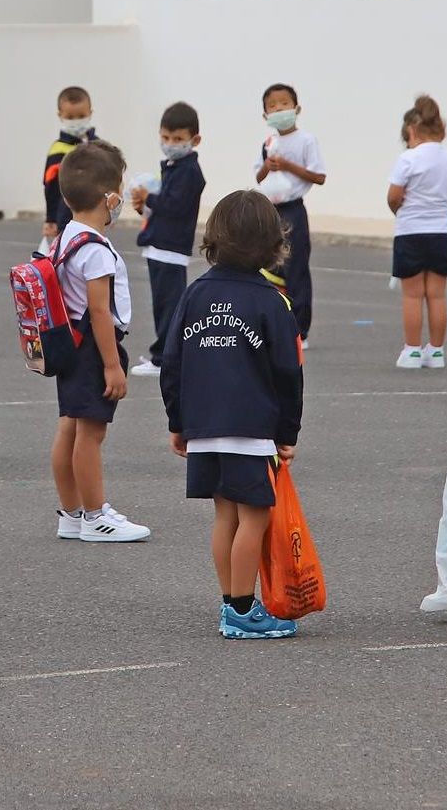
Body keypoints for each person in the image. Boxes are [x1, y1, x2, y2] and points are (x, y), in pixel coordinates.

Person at [161, 190, 305, 640]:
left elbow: (173, 362)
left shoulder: (194, 294)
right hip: (250, 430)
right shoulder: (272, 302)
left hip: (205, 427)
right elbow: (288, 373)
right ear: (271, 244)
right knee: (255, 518)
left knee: (225, 517)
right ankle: (243, 609)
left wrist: (178, 422)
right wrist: (287, 431)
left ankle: (230, 601)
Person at [48, 140, 152, 543]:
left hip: (70, 346)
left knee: (70, 428)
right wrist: (112, 364)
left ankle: (71, 513)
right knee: (91, 434)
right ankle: (95, 516)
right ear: (110, 198)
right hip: (93, 348)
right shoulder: (95, 250)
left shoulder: (65, 238)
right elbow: (99, 311)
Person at [386, 95, 447, 370]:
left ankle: (411, 350)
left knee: (412, 295)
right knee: (436, 294)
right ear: (442, 130)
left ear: (411, 130)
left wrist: (401, 209)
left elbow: (394, 195)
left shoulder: (407, 159)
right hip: (441, 232)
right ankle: (436, 350)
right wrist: (443, 205)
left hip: (410, 231)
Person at [130, 101, 207, 377]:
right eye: (165, 137)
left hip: (171, 248)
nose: (170, 143)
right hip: (159, 246)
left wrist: (149, 197)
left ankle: (165, 358)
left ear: (194, 140)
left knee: (169, 305)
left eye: (178, 139)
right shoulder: (174, 166)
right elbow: (165, 205)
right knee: (162, 304)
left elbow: (175, 205)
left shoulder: (189, 172)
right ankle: (165, 353)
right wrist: (145, 204)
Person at [256, 83, 326, 341]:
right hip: (271, 210)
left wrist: (287, 165)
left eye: (284, 103)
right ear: (265, 115)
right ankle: (276, 323)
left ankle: (300, 330)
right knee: (270, 268)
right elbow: (259, 176)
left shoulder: (306, 140)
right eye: (272, 106)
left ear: (296, 108)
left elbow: (319, 176)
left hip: (294, 210)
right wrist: (268, 165)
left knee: (296, 269)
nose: (279, 109)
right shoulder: (268, 142)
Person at [41, 86, 97, 252]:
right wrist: (50, 218)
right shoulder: (57, 149)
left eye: (81, 116)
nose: (76, 121)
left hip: (94, 216)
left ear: (90, 113)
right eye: (70, 117)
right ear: (60, 116)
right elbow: (50, 186)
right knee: (68, 256)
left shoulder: (97, 147)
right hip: (65, 217)